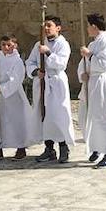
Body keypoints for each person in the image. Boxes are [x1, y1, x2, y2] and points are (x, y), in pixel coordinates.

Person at [26, 15, 76, 164]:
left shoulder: (63, 44)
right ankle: (49, 149)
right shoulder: (38, 44)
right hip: (43, 83)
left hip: (56, 83)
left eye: (49, 25)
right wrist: (36, 71)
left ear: (58, 28)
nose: (46, 29)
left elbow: (61, 64)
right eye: (45, 26)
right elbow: (30, 62)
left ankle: (63, 147)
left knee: (58, 115)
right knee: (44, 115)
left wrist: (48, 52)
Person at [0, 35, 32, 162]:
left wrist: (3, 88)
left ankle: (21, 148)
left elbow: (17, 79)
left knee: (16, 121)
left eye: (9, 45)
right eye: (3, 44)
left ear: (15, 45)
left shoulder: (17, 61)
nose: (6, 47)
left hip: (13, 96)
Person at [78, 13, 106, 169]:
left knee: (102, 117)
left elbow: (104, 65)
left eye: (88, 26)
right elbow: (83, 64)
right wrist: (83, 74)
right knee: (86, 117)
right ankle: (96, 146)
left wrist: (89, 55)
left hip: (100, 83)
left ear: (94, 26)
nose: (87, 29)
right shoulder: (94, 43)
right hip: (90, 83)